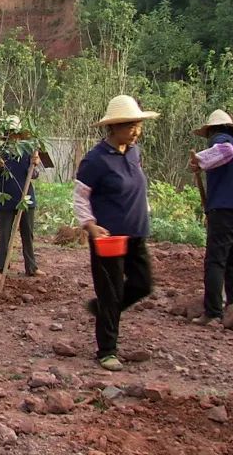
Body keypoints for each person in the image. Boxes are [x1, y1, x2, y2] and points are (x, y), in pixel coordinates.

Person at [73, 95, 159, 372]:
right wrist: (90, 225)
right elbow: (80, 197)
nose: (136, 131)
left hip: (136, 231)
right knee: (111, 292)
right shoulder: (95, 160)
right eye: (131, 126)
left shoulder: (134, 153)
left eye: (138, 125)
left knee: (143, 284)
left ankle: (103, 310)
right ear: (114, 128)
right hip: (108, 237)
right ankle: (106, 350)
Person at [188, 110, 233, 326]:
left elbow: (225, 151)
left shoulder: (222, 140)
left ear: (212, 131)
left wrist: (200, 160)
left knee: (215, 261)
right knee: (231, 262)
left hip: (225, 210)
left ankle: (213, 312)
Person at [0, 115, 43, 276]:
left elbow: (35, 175)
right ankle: (2, 267)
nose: (12, 135)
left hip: (26, 198)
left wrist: (35, 164)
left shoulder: (29, 151)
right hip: (5, 198)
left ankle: (31, 267)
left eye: (14, 132)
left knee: (28, 234)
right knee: (4, 234)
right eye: (9, 132)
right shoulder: (1, 151)